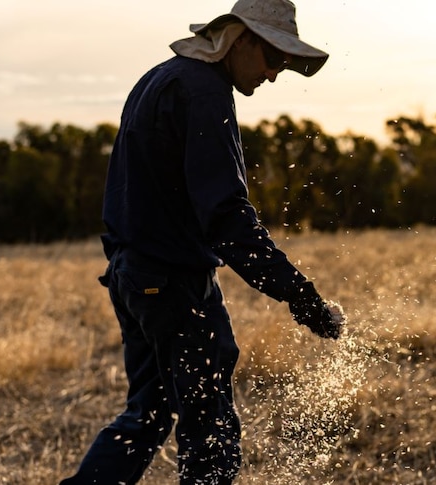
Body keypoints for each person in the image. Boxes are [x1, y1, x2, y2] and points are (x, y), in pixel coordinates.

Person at [59, 1, 344, 484]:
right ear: (242, 39)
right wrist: (302, 296)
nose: (276, 75)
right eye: (275, 59)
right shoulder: (205, 92)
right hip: (173, 283)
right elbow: (226, 217)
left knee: (146, 414)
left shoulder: (162, 76)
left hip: (134, 277)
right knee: (211, 435)